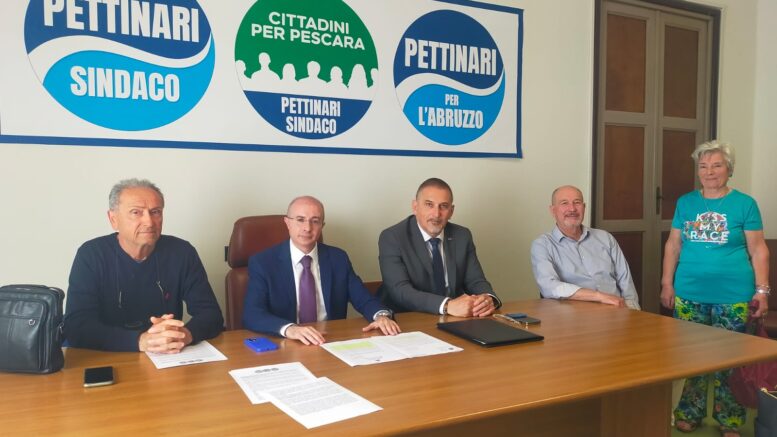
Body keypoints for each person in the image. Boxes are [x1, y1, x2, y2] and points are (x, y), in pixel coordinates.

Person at [660, 141, 770, 437]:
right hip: (689, 293)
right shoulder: (686, 203)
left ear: (729, 169)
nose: (709, 172)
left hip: (733, 295)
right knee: (689, 357)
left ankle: (729, 420)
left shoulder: (745, 204)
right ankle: (688, 412)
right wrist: (667, 283)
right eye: (703, 166)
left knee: (730, 361)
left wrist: (762, 291)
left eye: (717, 165)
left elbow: (758, 249)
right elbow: (673, 245)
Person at [64, 179, 223, 353]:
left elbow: (211, 315)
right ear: (113, 219)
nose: (149, 222)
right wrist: (141, 341)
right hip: (107, 356)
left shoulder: (182, 252)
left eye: (155, 212)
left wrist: (185, 334)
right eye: (136, 212)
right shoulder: (91, 255)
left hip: (166, 357)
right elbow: (77, 327)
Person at [243, 196, 400, 345]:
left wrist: (381, 316)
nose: (307, 228)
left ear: (322, 226)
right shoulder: (263, 262)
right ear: (287, 223)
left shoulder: (338, 258)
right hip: (286, 343)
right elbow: (252, 314)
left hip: (329, 340)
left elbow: (363, 298)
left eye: (315, 221)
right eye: (300, 220)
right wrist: (290, 329)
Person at [378, 178, 500, 316]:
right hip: (406, 318)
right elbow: (400, 290)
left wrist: (487, 299)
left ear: (451, 211)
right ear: (415, 207)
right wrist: (447, 305)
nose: (436, 214)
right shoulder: (393, 237)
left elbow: (475, 280)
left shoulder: (462, 235)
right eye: (429, 205)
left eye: (444, 206)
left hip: (453, 318)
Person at [530, 185, 640, 309]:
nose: (572, 209)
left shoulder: (605, 238)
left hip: (618, 311)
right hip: (577, 317)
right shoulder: (542, 245)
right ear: (553, 210)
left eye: (577, 202)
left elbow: (626, 282)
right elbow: (549, 286)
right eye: (564, 203)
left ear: (584, 207)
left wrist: (633, 312)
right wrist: (600, 297)